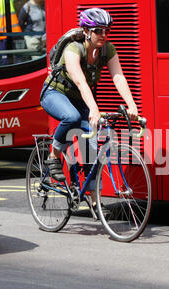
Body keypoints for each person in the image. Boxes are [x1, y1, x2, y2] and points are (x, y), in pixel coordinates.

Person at [40, 7, 138, 208]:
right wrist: (94, 109)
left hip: (81, 99)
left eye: (106, 30)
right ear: (86, 31)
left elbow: (118, 76)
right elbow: (81, 82)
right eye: (98, 30)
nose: (103, 35)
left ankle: (95, 200)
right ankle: (54, 155)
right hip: (55, 94)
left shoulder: (107, 49)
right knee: (72, 117)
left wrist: (131, 105)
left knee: (94, 144)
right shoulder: (73, 49)